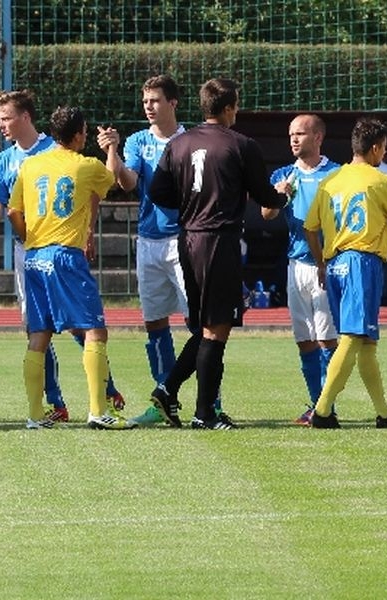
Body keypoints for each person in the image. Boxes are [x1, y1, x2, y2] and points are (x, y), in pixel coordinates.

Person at [147, 78, 288, 429]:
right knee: (216, 328)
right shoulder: (241, 145)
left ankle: (168, 390)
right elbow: (265, 197)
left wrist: (191, 204)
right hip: (219, 241)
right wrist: (283, 193)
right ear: (227, 108)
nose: (237, 112)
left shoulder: (179, 144)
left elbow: (158, 192)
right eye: (236, 106)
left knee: (204, 326)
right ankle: (204, 414)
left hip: (187, 239)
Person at [0, 90, 124, 422]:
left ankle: (36, 414)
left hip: (34, 256)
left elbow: (13, 211)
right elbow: (113, 181)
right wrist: (110, 149)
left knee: (38, 333)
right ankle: (98, 411)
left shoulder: (30, 166)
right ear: (79, 135)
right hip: (65, 255)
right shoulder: (86, 164)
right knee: (94, 330)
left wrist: (28, 236)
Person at [303, 117, 387, 429]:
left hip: (336, 262)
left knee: (365, 341)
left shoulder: (331, 180)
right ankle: (323, 410)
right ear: (377, 148)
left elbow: (310, 227)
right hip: (361, 261)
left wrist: (321, 263)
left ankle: (383, 413)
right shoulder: (380, 181)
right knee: (354, 336)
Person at [102, 74, 187, 425]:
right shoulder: (138, 141)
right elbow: (124, 182)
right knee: (154, 323)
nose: (148, 107)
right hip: (149, 240)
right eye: (145, 101)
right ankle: (163, 398)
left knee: (201, 326)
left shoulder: (190, 139)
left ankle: (211, 401)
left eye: (154, 100)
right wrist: (112, 151)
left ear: (173, 103)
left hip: (185, 240)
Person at [263, 114, 340, 423]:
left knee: (327, 338)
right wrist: (278, 195)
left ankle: (327, 405)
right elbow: (266, 214)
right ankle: (315, 402)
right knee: (304, 338)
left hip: (327, 264)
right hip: (296, 265)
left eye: (300, 134)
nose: (294, 139)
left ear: (318, 137)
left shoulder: (336, 174)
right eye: (291, 134)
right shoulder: (284, 174)